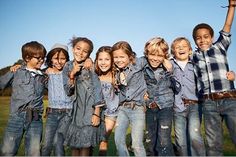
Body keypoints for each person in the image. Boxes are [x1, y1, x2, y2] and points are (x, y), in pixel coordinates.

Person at [192, 0, 236, 155]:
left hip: (229, 99)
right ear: (195, 41)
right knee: (213, 142)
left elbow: (227, 27)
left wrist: (231, 7)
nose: (202, 40)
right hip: (209, 102)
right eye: (198, 38)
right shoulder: (194, 56)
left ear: (211, 37)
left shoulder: (220, 47)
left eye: (206, 36)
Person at [0, 41, 47, 156]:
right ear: (27, 57)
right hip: (16, 117)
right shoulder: (16, 72)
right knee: (7, 151)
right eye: (38, 58)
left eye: (43, 58)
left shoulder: (44, 76)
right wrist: (14, 68)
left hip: (36, 119)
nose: (41, 60)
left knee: (34, 153)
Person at [62, 37, 105, 156]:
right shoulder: (67, 66)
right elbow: (68, 91)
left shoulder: (90, 66)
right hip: (75, 113)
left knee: (86, 148)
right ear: (73, 48)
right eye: (78, 48)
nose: (80, 53)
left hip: (90, 111)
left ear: (89, 54)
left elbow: (97, 89)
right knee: (75, 148)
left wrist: (97, 112)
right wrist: (72, 75)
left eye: (85, 51)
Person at [170, 37, 205, 156]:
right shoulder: (170, 65)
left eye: (184, 46)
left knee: (194, 136)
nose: (181, 48)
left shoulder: (196, 64)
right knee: (180, 140)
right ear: (173, 51)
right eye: (177, 47)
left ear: (190, 50)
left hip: (195, 105)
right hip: (178, 107)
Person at [143, 37, 177, 156]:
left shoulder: (170, 66)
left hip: (165, 107)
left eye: (159, 56)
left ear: (165, 56)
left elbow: (178, 87)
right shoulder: (142, 66)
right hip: (149, 107)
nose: (155, 59)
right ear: (146, 53)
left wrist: (170, 71)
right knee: (149, 139)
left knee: (163, 139)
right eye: (152, 54)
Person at [112, 41, 147, 156]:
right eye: (116, 57)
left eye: (122, 56)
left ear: (130, 56)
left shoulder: (138, 63)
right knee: (118, 140)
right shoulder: (115, 71)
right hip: (122, 109)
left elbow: (154, 56)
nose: (118, 60)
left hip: (137, 108)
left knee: (136, 144)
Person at [41, 43, 73, 156]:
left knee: (58, 143)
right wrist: (19, 66)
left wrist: (88, 59)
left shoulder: (71, 72)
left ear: (67, 59)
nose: (59, 62)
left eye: (62, 58)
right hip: (52, 113)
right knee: (46, 144)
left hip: (67, 112)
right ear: (50, 58)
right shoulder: (45, 73)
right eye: (55, 58)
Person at [94, 46, 119, 156]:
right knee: (90, 141)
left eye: (107, 59)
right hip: (95, 112)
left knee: (103, 140)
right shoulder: (94, 76)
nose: (103, 63)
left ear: (112, 60)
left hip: (111, 112)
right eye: (100, 59)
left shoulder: (117, 77)